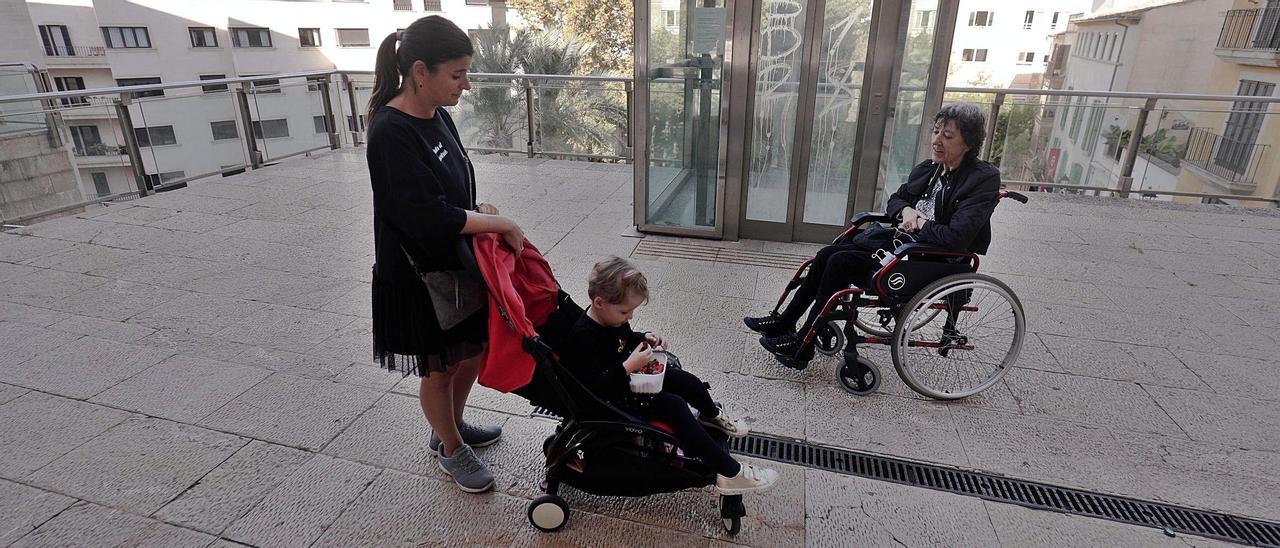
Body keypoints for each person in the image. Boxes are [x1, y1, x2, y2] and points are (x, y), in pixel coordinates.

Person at [366, 16, 527, 493]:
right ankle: (452, 449)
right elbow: (425, 216)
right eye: (457, 74)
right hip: (420, 275)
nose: (466, 84)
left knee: (472, 352)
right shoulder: (391, 131)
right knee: (439, 369)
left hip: (456, 263)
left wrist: (478, 209)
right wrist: (500, 223)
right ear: (421, 71)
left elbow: (450, 192)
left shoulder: (438, 116)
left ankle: (449, 429)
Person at [744, 103, 1001, 370]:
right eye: (936, 132)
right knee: (827, 254)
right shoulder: (931, 168)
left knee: (839, 262)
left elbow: (957, 237)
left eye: (947, 136)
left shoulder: (982, 179)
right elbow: (897, 199)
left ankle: (803, 344)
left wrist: (920, 222)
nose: (937, 140)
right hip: (902, 246)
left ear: (969, 143)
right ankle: (785, 322)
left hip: (930, 258)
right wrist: (907, 209)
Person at [560, 257, 779, 495]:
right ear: (599, 303)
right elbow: (594, 386)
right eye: (625, 311)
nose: (629, 317)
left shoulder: (611, 320)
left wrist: (644, 337)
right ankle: (731, 473)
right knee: (673, 406)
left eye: (632, 311)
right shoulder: (583, 336)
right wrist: (627, 367)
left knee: (685, 380)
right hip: (610, 399)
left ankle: (711, 415)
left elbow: (624, 339)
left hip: (629, 380)